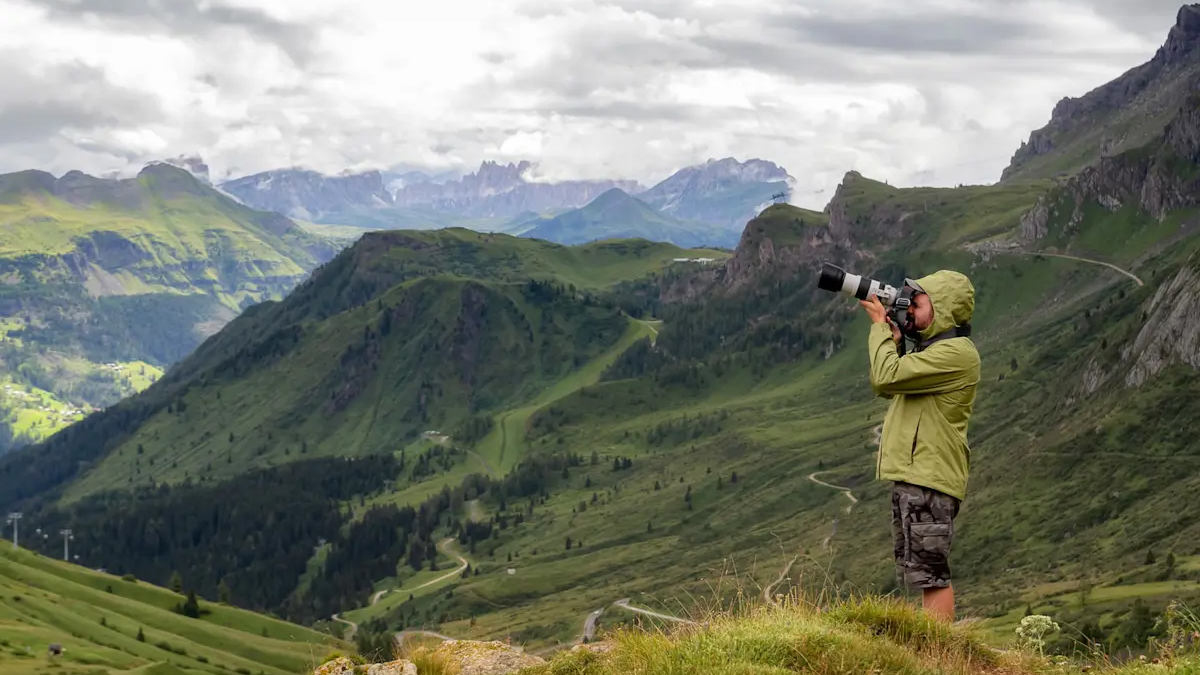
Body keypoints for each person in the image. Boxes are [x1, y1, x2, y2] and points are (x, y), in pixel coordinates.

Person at [858, 270, 980, 622]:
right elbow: (889, 385)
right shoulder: (936, 351)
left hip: (930, 477)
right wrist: (895, 340)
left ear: (941, 308)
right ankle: (933, 647)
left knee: (930, 574)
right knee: (920, 570)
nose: (907, 308)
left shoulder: (957, 353)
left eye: (917, 302)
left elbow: (886, 376)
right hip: (918, 474)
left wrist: (880, 327)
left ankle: (938, 653)